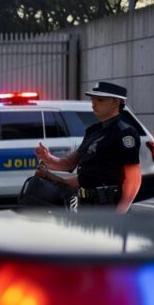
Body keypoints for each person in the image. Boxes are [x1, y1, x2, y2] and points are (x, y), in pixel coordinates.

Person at [34, 81, 141, 212]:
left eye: (100, 100)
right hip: (85, 204)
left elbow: (133, 179)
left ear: (116, 102)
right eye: (93, 99)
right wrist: (48, 159)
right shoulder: (93, 131)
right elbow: (70, 164)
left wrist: (119, 214)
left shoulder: (124, 133)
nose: (93, 104)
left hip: (109, 206)